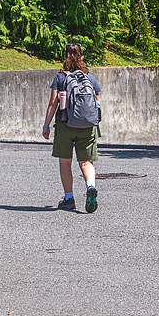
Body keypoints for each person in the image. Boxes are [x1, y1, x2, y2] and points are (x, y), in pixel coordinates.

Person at [41, 43, 101, 213]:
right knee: (86, 161)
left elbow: (53, 103)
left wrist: (46, 125)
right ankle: (90, 187)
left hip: (65, 124)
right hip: (87, 126)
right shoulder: (90, 78)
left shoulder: (60, 78)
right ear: (81, 57)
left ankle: (69, 198)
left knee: (65, 162)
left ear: (65, 57)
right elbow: (97, 102)